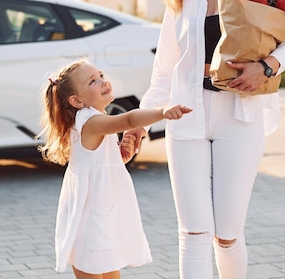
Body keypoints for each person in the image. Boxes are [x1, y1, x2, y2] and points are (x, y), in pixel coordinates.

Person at [124, 0, 285, 279]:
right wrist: (139, 122)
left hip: (239, 118)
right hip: (186, 118)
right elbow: (165, 71)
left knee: (226, 235)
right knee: (193, 233)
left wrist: (265, 67)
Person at [36, 58, 192, 279]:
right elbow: (129, 120)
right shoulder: (89, 121)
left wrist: (118, 158)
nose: (102, 81)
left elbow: (98, 162)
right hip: (90, 220)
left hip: (102, 215)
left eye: (100, 75)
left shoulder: (93, 119)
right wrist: (162, 112)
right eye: (92, 81)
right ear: (76, 100)